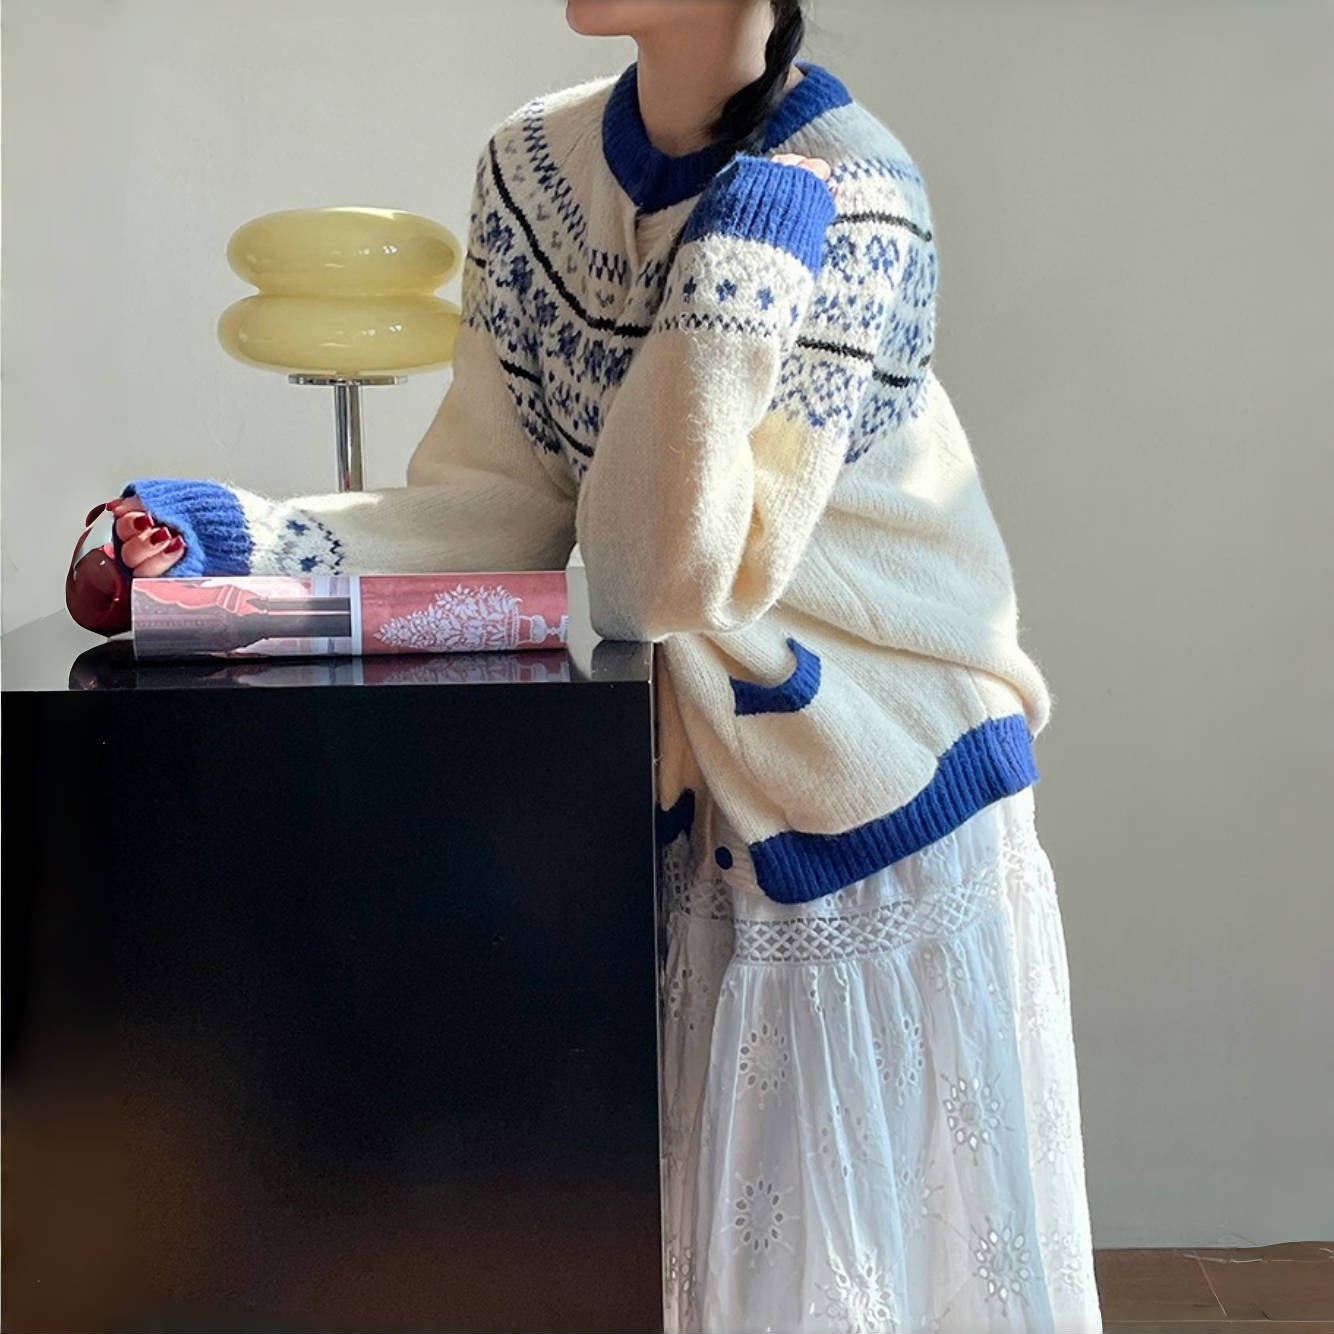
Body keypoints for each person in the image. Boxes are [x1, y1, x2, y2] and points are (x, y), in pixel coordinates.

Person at [92, 2, 1104, 1329]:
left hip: (874, 786)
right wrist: (239, 543)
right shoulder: (530, 168)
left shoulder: (855, 196)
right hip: (691, 783)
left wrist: (730, 283)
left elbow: (655, 574)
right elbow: (494, 502)